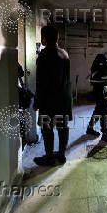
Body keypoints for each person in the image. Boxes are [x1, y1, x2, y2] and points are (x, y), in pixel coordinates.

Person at [33, 26, 72, 166]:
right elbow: (67, 79)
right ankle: (61, 155)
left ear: (43, 39)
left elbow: (40, 83)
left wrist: (37, 102)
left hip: (49, 100)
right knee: (63, 127)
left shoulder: (43, 56)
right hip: (64, 99)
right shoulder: (65, 54)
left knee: (47, 129)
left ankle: (49, 157)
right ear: (57, 38)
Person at [86, 52, 107, 145]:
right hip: (99, 92)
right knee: (105, 111)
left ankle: (90, 128)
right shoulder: (100, 61)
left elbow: (105, 76)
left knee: (98, 111)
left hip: (103, 91)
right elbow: (95, 79)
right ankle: (105, 134)